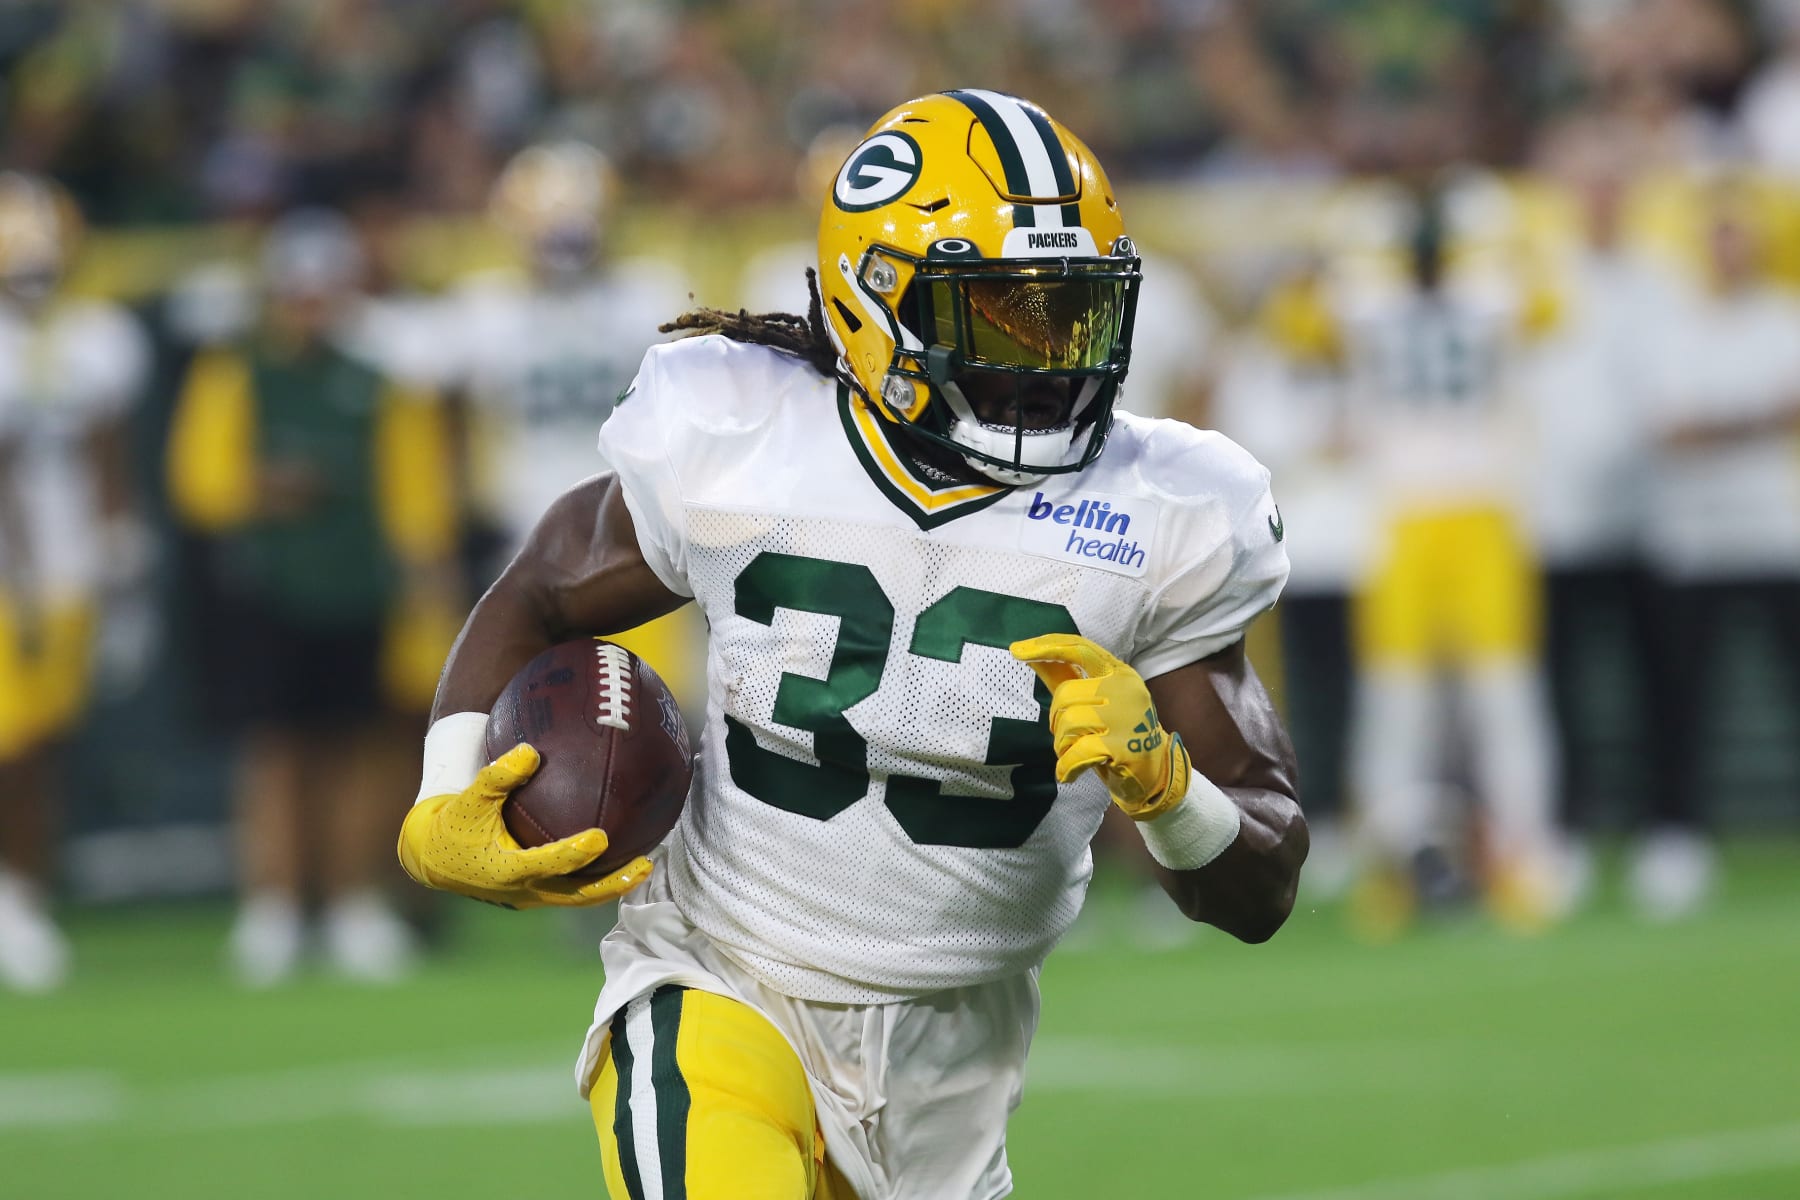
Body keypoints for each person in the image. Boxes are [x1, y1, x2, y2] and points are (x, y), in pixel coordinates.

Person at [397, 91, 1306, 1199]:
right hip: (723, 976)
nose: (1055, 357)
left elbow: (1260, 890)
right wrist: (444, 793)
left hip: (953, 1055)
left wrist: (1168, 788)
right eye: (1004, 314)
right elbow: (541, 589)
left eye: (1073, 313)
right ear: (878, 308)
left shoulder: (1167, 511)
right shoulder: (741, 433)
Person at [167, 209, 452, 985]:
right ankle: (276, 906)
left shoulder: (378, 381)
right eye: (298, 292)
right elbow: (198, 479)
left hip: (361, 584)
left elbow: (416, 489)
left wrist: (427, 572)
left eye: (322, 292)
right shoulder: (238, 371)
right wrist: (261, 486)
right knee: (278, 751)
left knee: (362, 746)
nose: (310, 308)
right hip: (271, 586)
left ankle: (352, 901)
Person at [0, 172, 150, 992]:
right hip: (15, 579)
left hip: (69, 572)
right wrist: (19, 589)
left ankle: (24, 895)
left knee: (45, 746)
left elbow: (107, 452)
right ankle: (12, 901)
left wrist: (121, 559)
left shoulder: (95, 335)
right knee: (12, 748)